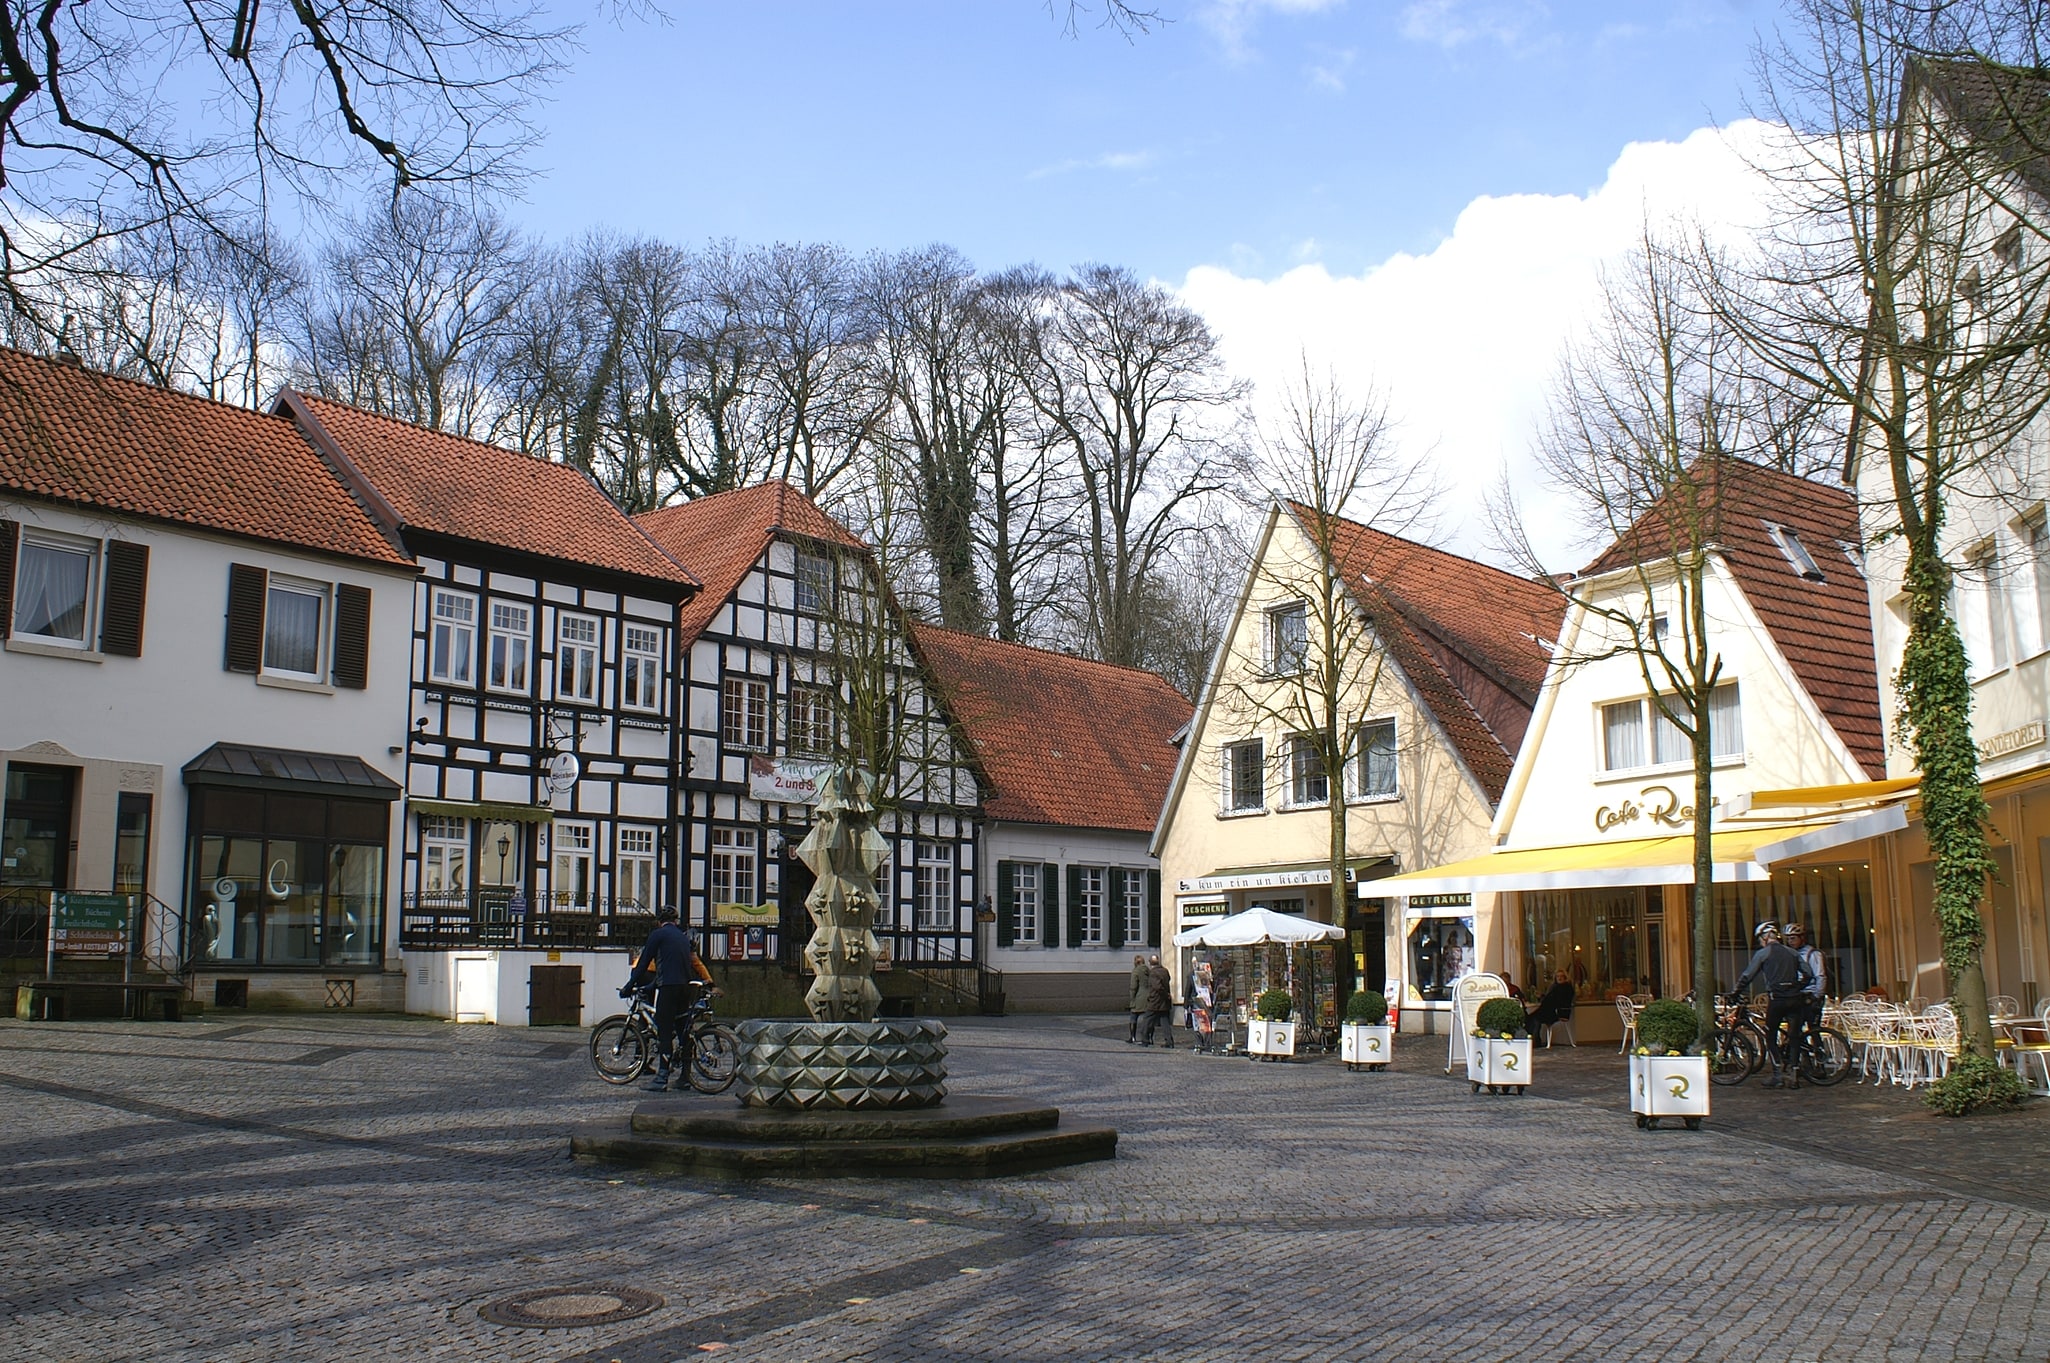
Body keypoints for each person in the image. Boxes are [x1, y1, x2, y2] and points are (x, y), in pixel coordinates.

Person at [630, 906, 719, 1092]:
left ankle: (661, 1078)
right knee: (682, 1033)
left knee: (663, 1030)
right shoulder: (683, 938)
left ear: (659, 921)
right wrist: (710, 982)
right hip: (684, 988)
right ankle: (685, 1078)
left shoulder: (658, 935)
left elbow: (645, 962)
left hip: (667, 987)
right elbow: (686, 964)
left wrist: (628, 986)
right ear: (676, 921)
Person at [1729, 921, 1815, 1088]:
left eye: (1761, 938)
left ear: (1766, 937)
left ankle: (1777, 1075)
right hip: (1795, 999)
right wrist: (1798, 986)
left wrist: (1735, 993)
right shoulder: (1792, 952)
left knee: (1770, 1035)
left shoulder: (1764, 954)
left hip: (1777, 1000)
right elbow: (1809, 973)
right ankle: (1794, 1074)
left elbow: (1748, 976)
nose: (1760, 942)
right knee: (1795, 1036)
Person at [1785, 922, 1827, 1069]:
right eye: (1788, 939)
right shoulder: (1790, 954)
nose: (1791, 942)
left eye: (1793, 938)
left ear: (1802, 938)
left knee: (1814, 1031)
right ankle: (1805, 1063)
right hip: (1797, 997)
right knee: (1795, 1031)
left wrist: (1817, 996)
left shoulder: (1813, 954)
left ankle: (1821, 1065)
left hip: (1811, 996)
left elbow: (1820, 976)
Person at [1525, 971, 1575, 1039]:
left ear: (1565, 977)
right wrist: (1542, 997)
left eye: (1561, 976)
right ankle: (1535, 1039)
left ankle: (1533, 1039)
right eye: (1558, 976)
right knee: (1532, 1016)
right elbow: (1551, 999)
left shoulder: (1566, 988)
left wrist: (1543, 999)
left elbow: (1556, 1000)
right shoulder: (1556, 987)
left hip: (1558, 1012)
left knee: (1533, 1017)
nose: (1559, 978)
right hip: (1551, 1010)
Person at [1140, 954, 1175, 1047]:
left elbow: (1157, 987)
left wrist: (1164, 994)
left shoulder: (1153, 973)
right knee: (1165, 1022)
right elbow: (1168, 980)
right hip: (1164, 1002)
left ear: (1150, 963)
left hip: (1155, 1001)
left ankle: (1145, 1040)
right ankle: (1169, 1041)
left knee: (1147, 1020)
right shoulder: (1165, 971)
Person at [1190, 966, 1216, 1054]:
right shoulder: (1193, 976)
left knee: (1200, 1024)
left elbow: (1188, 990)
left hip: (1199, 1004)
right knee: (1203, 1023)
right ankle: (1205, 1043)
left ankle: (1201, 1043)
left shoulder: (1192, 976)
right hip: (1200, 1003)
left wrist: (1187, 1004)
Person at [1126, 954, 1149, 1045]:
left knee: (1133, 1017)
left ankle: (1133, 1037)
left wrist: (1132, 999)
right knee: (1147, 1019)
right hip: (1148, 997)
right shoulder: (1148, 970)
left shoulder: (1136, 971)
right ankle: (1149, 1038)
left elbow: (1133, 986)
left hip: (1138, 997)